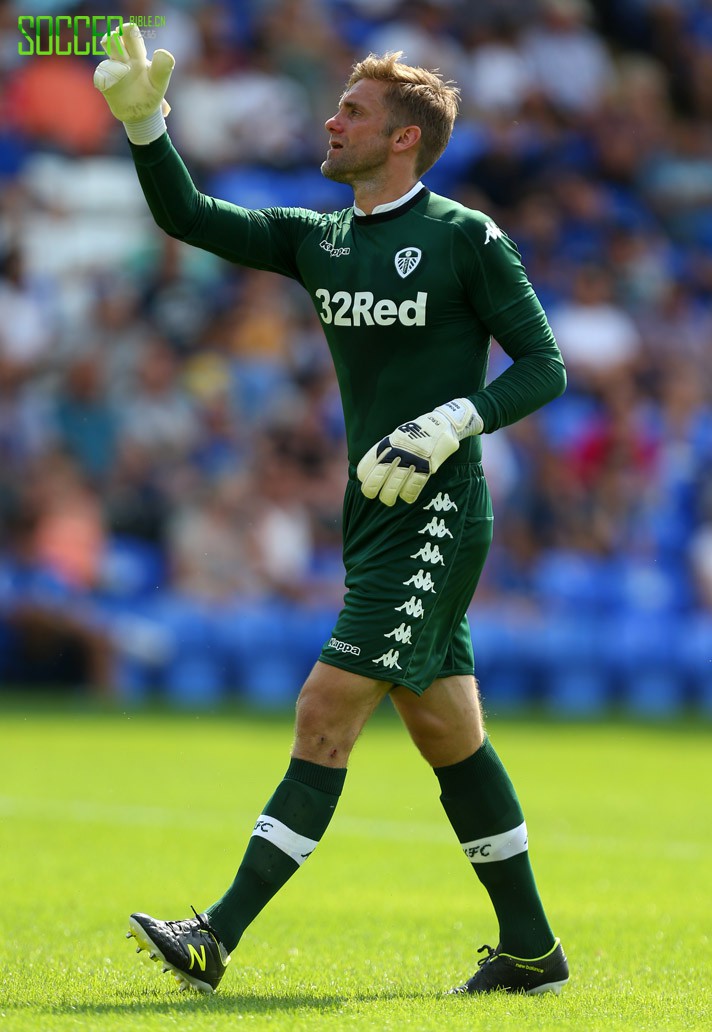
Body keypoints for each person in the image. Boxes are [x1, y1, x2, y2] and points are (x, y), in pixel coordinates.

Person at [94, 24, 569, 997]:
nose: (330, 117)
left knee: (324, 711)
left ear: (403, 138)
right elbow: (188, 214)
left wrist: (454, 424)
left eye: (351, 109)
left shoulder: (463, 237)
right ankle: (532, 952)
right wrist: (147, 128)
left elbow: (544, 367)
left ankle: (216, 934)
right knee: (448, 734)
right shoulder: (323, 238)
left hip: (437, 513)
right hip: (371, 515)